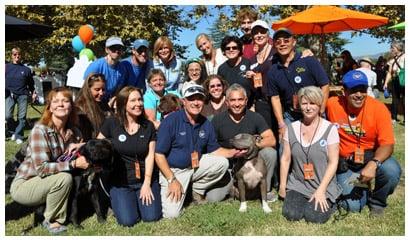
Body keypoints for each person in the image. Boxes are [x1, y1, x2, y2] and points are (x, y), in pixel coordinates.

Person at [154, 83, 245, 218]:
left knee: (222, 163)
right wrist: (171, 179)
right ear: (184, 101)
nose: (196, 103)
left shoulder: (205, 123)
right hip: (173, 171)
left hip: (195, 166)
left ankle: (196, 190)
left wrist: (233, 152)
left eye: (199, 99)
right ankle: (181, 188)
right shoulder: (171, 121)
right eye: (191, 99)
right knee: (171, 215)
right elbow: (159, 155)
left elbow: (214, 150)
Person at [10, 87, 89, 234]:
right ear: (50, 107)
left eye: (65, 101)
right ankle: (52, 220)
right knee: (64, 178)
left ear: (71, 107)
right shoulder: (40, 130)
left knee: (65, 177)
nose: (61, 104)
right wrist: (73, 164)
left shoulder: (74, 132)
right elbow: (42, 168)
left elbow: (81, 153)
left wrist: (81, 145)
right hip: (26, 183)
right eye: (56, 101)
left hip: (47, 181)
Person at [327, 70, 401, 216]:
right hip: (346, 164)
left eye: (363, 89)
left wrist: (373, 164)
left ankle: (378, 202)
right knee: (353, 207)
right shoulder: (332, 104)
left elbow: (388, 144)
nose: (359, 94)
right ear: (344, 91)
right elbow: (310, 102)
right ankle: (362, 190)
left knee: (391, 170)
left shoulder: (379, 109)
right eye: (354, 90)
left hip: (370, 158)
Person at [97, 86, 162, 226]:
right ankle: (119, 200)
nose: (138, 104)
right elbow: (97, 145)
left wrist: (147, 183)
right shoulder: (111, 124)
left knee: (151, 217)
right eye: (133, 100)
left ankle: (137, 198)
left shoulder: (148, 126)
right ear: (123, 103)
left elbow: (150, 156)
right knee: (128, 221)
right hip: (120, 182)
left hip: (144, 179)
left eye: (140, 100)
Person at [279, 86, 341, 224]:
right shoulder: (291, 128)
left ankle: (332, 202)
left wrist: (321, 191)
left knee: (314, 217)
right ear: (299, 105)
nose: (308, 107)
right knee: (291, 214)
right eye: (304, 103)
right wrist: (283, 186)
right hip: (299, 183)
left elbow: (333, 162)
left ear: (319, 105)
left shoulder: (330, 129)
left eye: (312, 103)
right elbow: (285, 158)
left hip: (322, 184)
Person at [209, 84, 278, 202]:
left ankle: (265, 190)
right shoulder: (217, 120)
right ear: (227, 102)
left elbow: (271, 140)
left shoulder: (255, 117)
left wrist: (251, 146)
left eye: (240, 99)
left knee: (270, 153)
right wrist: (230, 153)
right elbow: (210, 147)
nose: (237, 104)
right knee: (213, 198)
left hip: (251, 164)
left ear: (246, 101)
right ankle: (234, 188)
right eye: (233, 100)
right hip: (229, 167)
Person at [267, 28, 330, 141]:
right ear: (274, 45)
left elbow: (324, 85)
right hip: (291, 115)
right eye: (278, 41)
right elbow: (275, 98)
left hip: (314, 113)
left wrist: (321, 111)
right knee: (284, 147)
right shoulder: (273, 70)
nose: (282, 44)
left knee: (318, 148)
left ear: (294, 42)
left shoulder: (308, 60)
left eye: (286, 40)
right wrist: (281, 124)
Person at [245, 20, 277, 130]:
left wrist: (306, 52)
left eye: (262, 32)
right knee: (267, 135)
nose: (259, 35)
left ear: (268, 33)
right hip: (262, 103)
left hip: (278, 100)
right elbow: (254, 87)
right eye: (255, 33)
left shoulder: (276, 51)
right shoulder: (252, 60)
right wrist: (250, 79)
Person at [83, 36, 136, 102]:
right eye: (113, 48)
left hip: (107, 101)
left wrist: (111, 102)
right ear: (107, 50)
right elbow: (86, 87)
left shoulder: (122, 68)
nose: (117, 51)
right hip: (92, 100)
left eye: (119, 48)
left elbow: (117, 90)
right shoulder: (96, 66)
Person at [5, 47, 36, 144]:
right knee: (7, 115)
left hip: (23, 95)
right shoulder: (6, 67)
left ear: (21, 56)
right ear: (12, 56)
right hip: (9, 94)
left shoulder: (26, 69)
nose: (17, 56)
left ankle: (19, 135)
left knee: (21, 117)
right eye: (15, 54)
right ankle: (13, 131)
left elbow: (31, 84)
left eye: (18, 54)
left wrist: (33, 93)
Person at [218, 35, 254, 108]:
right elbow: (221, 92)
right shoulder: (221, 69)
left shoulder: (248, 63)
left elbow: (256, 86)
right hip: (231, 109)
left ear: (239, 49)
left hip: (249, 107)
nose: (231, 50)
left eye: (234, 47)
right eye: (228, 48)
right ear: (224, 51)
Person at [75, 73, 112, 141]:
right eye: (97, 89)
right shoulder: (80, 107)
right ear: (88, 89)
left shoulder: (104, 104)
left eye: (103, 89)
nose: (101, 93)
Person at [383, 41, 405, 124]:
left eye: (393, 47)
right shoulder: (392, 59)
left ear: (398, 48)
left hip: (404, 80)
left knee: (405, 99)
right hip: (395, 80)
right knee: (395, 99)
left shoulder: (405, 56)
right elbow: (389, 72)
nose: (391, 49)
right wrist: (385, 83)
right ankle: (394, 118)